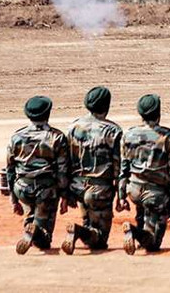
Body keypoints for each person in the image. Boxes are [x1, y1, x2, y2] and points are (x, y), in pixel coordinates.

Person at [6, 95, 70, 254]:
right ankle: (36, 233)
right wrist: (64, 196)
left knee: (30, 214)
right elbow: (63, 170)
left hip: (22, 187)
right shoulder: (57, 137)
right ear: (48, 113)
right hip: (45, 189)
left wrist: (13, 199)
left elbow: (10, 169)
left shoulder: (17, 137)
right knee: (45, 238)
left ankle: (30, 228)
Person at [61, 86, 121, 254]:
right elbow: (118, 167)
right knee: (100, 240)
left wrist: (65, 193)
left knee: (89, 221)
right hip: (100, 189)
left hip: (77, 186)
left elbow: (65, 162)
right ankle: (79, 232)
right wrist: (120, 195)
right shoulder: (113, 131)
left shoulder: (73, 127)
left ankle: (81, 231)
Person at [118, 94, 170, 254]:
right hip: (156, 194)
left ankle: (139, 232)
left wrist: (121, 195)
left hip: (134, 190)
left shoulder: (129, 134)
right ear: (158, 113)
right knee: (153, 244)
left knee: (142, 210)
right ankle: (135, 231)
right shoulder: (167, 136)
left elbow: (123, 167)